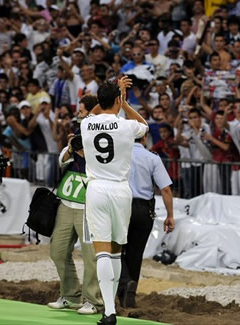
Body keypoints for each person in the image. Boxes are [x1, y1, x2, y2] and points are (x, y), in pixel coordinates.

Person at [81, 77, 149, 325]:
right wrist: (125, 103)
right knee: (117, 252)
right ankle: (112, 309)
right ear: (118, 101)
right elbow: (145, 126)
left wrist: (110, 98)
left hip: (96, 189)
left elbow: (95, 111)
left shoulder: (86, 125)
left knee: (101, 254)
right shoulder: (126, 125)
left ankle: (108, 311)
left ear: (99, 101)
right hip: (120, 190)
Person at [47, 94, 103, 315]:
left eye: (81, 111)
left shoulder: (103, 133)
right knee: (57, 251)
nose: (78, 114)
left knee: (91, 256)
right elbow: (61, 160)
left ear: (92, 112)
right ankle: (70, 295)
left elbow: (106, 163)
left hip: (89, 204)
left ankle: (94, 300)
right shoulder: (78, 133)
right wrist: (72, 149)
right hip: (67, 202)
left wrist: (86, 153)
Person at [118, 135, 175, 308]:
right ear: (144, 138)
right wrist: (170, 215)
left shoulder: (118, 154)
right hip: (144, 210)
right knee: (135, 253)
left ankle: (125, 282)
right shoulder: (152, 158)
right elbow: (165, 188)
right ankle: (129, 295)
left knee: (115, 250)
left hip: (121, 205)